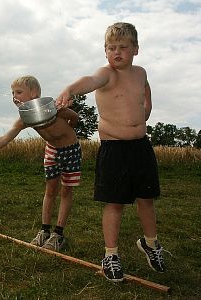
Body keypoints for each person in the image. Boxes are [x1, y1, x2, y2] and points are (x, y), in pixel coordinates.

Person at [56, 22, 165, 282]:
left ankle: (151, 244)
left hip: (141, 146)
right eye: (111, 48)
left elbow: (145, 89)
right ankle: (111, 255)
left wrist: (147, 105)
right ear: (105, 52)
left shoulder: (140, 73)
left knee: (146, 199)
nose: (117, 52)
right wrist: (70, 89)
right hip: (114, 149)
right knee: (114, 203)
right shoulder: (106, 74)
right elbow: (89, 81)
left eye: (123, 48)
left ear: (135, 49)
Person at [0, 75, 82, 252]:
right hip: (51, 151)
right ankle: (44, 231)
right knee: (50, 190)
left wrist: (68, 130)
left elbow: (74, 117)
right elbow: (6, 137)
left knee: (66, 191)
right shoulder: (25, 118)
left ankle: (58, 234)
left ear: (34, 92)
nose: (14, 96)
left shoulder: (52, 107)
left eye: (19, 92)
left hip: (71, 150)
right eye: (12, 93)